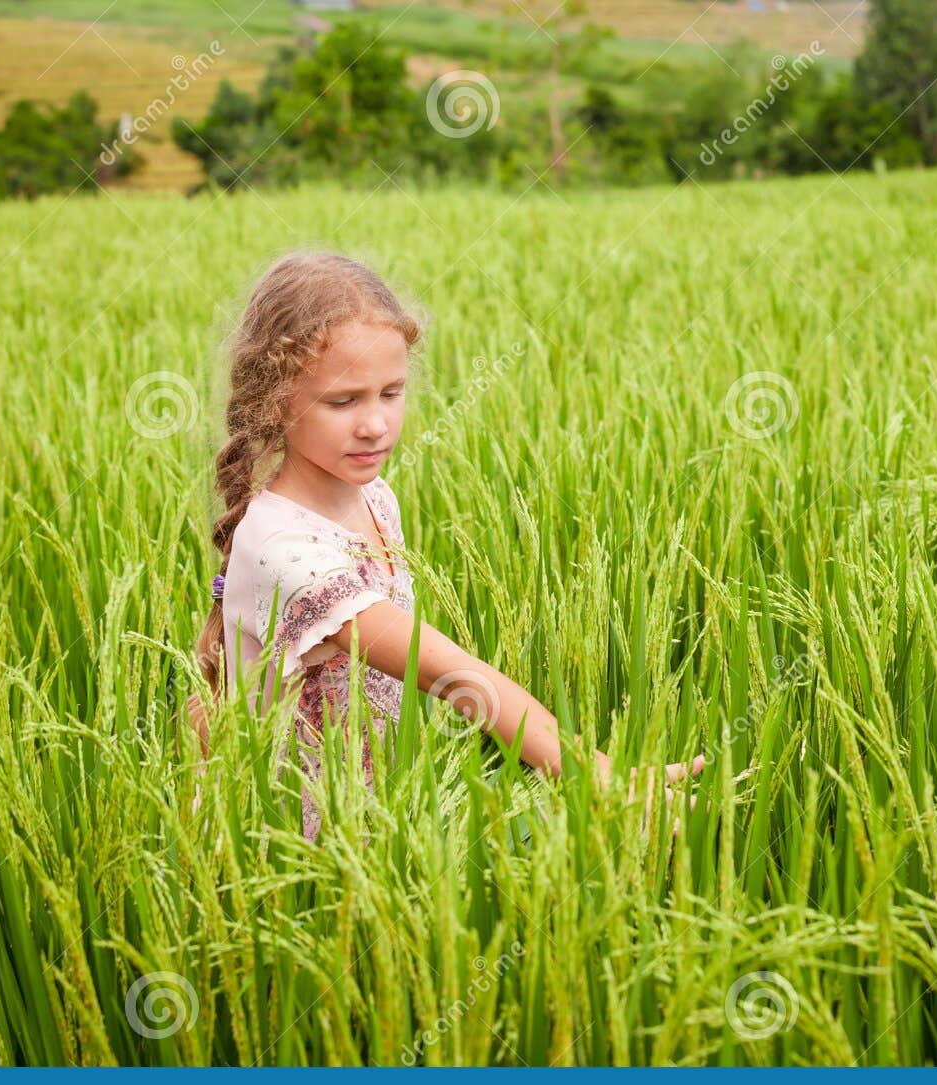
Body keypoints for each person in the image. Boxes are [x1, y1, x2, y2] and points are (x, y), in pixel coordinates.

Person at [187, 250, 725, 841]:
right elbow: (452, 674)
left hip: (378, 807)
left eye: (391, 393)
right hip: (295, 836)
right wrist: (596, 777)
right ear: (275, 399)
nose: (375, 424)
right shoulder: (284, 549)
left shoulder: (374, 497)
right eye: (344, 401)